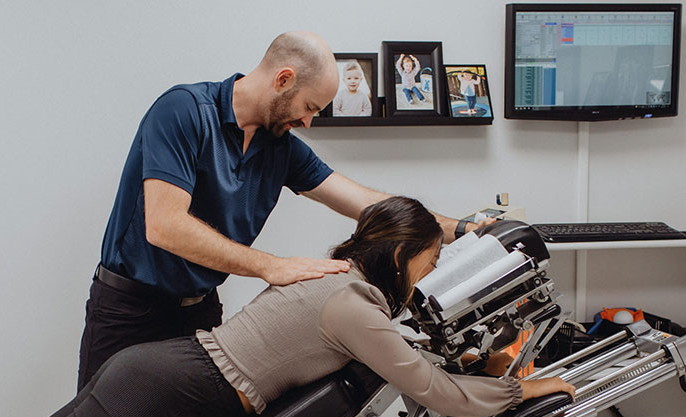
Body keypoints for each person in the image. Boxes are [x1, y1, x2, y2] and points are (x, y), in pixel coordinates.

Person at [0, 197, 575, 417]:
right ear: (400, 257)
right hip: (167, 394)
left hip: (158, 374)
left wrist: (476, 361)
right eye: (430, 262)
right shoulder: (356, 309)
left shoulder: (334, 278)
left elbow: (414, 359)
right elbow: (435, 392)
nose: (429, 275)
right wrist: (523, 388)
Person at [78, 32, 490, 390]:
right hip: (130, 311)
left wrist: (464, 228)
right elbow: (166, 227)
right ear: (283, 79)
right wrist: (269, 266)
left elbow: (365, 202)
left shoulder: (281, 148)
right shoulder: (184, 111)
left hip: (199, 314)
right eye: (309, 106)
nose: (308, 122)